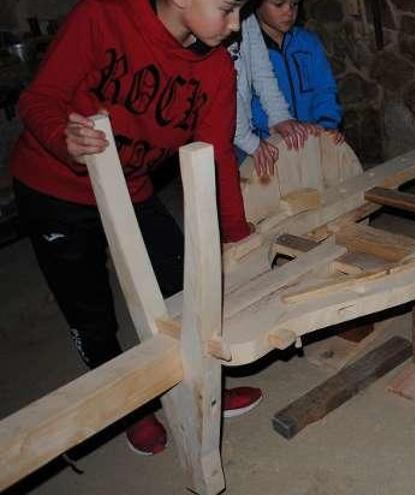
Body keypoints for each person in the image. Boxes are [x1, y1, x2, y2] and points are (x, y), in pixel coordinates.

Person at [11, 0, 263, 456]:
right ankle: (128, 409)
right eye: (227, 9)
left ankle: (200, 390)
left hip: (131, 186)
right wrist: (62, 140)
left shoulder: (216, 69)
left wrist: (237, 237)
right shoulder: (103, 16)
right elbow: (37, 98)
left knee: (186, 285)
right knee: (91, 314)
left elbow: (218, 158)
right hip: (55, 188)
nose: (235, 25)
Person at [244, 0, 343, 148]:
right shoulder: (245, 51)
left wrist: (326, 124)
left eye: (294, 4)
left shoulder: (308, 43)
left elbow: (325, 89)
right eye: (278, 5)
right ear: (257, 5)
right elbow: (246, 102)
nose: (289, 11)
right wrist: (285, 126)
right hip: (268, 145)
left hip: (314, 137)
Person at [228, 10, 306, 178]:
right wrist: (247, 140)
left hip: (240, 128)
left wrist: (279, 115)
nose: (234, 24)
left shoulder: (247, 18)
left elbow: (261, 70)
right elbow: (224, 92)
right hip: (218, 133)